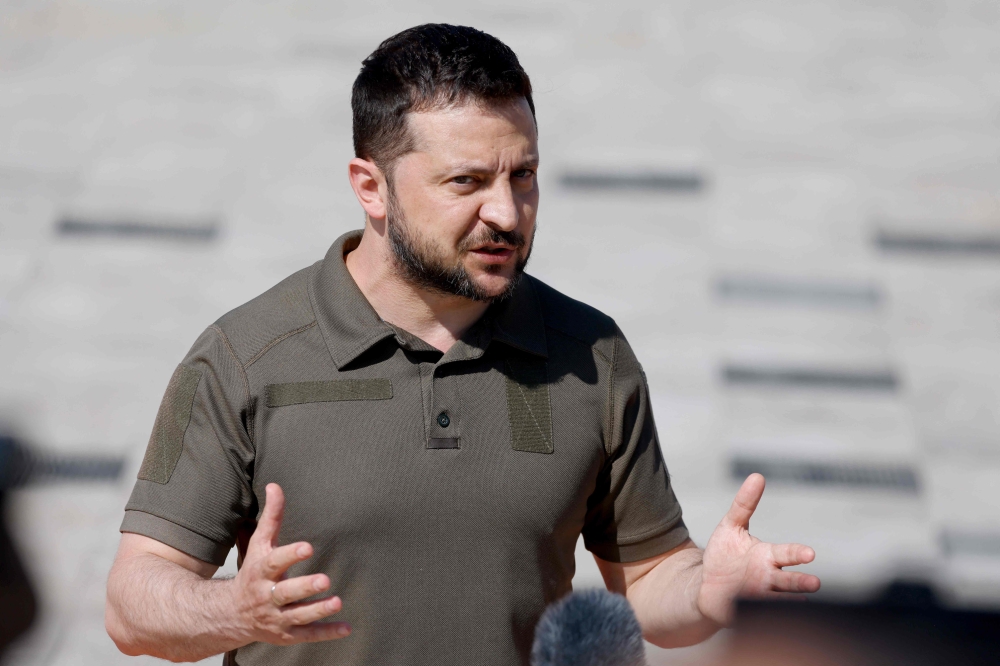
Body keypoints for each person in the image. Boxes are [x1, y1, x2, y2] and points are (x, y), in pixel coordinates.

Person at [105, 23, 820, 665]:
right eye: (466, 183)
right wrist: (235, 609)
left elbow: (651, 580)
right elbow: (133, 605)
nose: (506, 212)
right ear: (371, 187)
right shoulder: (242, 358)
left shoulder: (591, 355)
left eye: (525, 176)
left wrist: (709, 595)